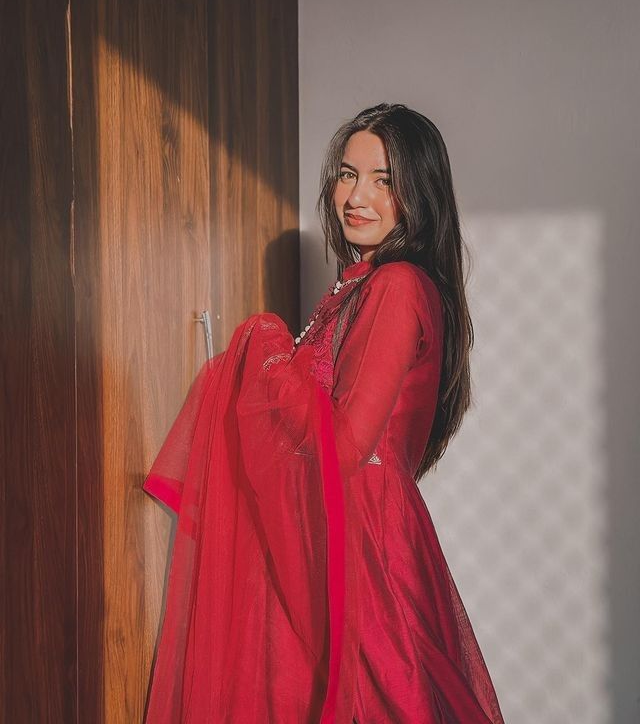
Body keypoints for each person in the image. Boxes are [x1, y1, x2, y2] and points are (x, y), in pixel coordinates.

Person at [142, 103, 506, 723]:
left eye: (383, 179)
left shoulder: (396, 287)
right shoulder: (365, 285)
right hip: (341, 529)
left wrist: (266, 349)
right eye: (346, 174)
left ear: (419, 192)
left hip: (357, 543)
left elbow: (341, 444)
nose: (356, 196)